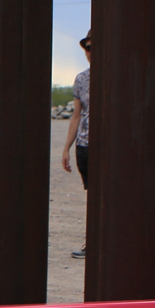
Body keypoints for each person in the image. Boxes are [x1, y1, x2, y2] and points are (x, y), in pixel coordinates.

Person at [61, 31, 92, 258]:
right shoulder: (82, 79)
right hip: (85, 143)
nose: (90, 52)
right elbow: (76, 115)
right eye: (87, 47)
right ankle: (91, 242)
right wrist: (66, 148)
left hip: (112, 146)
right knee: (93, 194)